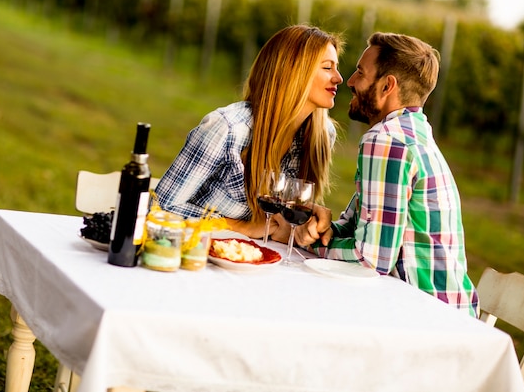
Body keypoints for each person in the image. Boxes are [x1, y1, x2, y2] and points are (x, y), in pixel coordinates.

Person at [296, 32, 479, 318]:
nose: (350, 81)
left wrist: (306, 240)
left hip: (430, 320)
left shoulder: (385, 141)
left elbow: (370, 259)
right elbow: (364, 228)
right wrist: (326, 229)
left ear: (387, 86)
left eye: (360, 72)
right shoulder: (414, 132)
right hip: (447, 313)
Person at [154, 24, 343, 239]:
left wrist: (305, 222)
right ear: (293, 71)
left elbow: (277, 220)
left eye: (336, 67)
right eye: (327, 67)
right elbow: (160, 207)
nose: (339, 78)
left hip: (254, 262)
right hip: (191, 253)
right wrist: (240, 227)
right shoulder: (228, 128)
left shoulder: (322, 134)